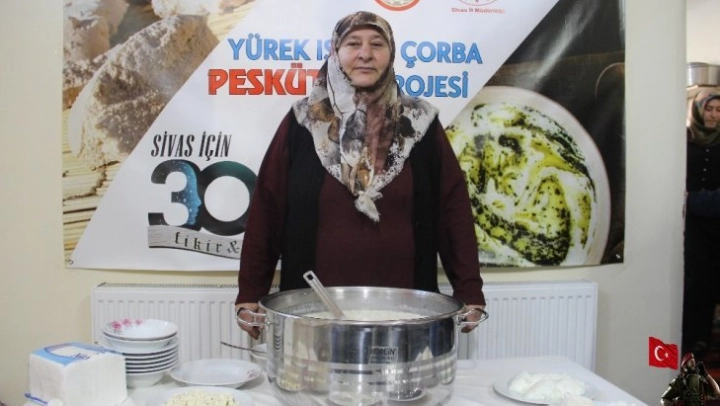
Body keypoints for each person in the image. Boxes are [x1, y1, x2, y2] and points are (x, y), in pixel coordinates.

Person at [234, 11, 485, 339]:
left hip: (408, 316)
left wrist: (469, 290)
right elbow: (267, 210)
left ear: (391, 54)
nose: (365, 53)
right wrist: (250, 292)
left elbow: (453, 211)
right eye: (353, 43)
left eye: (377, 44)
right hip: (312, 316)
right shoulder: (303, 123)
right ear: (335, 53)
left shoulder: (419, 123)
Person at [682, 89, 720, 359]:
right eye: (709, 109)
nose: (714, 115)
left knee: (711, 283)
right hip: (689, 228)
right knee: (691, 282)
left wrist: (692, 199)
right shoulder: (683, 141)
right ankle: (688, 336)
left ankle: (703, 339)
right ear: (697, 111)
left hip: (715, 227)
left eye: (719, 110)